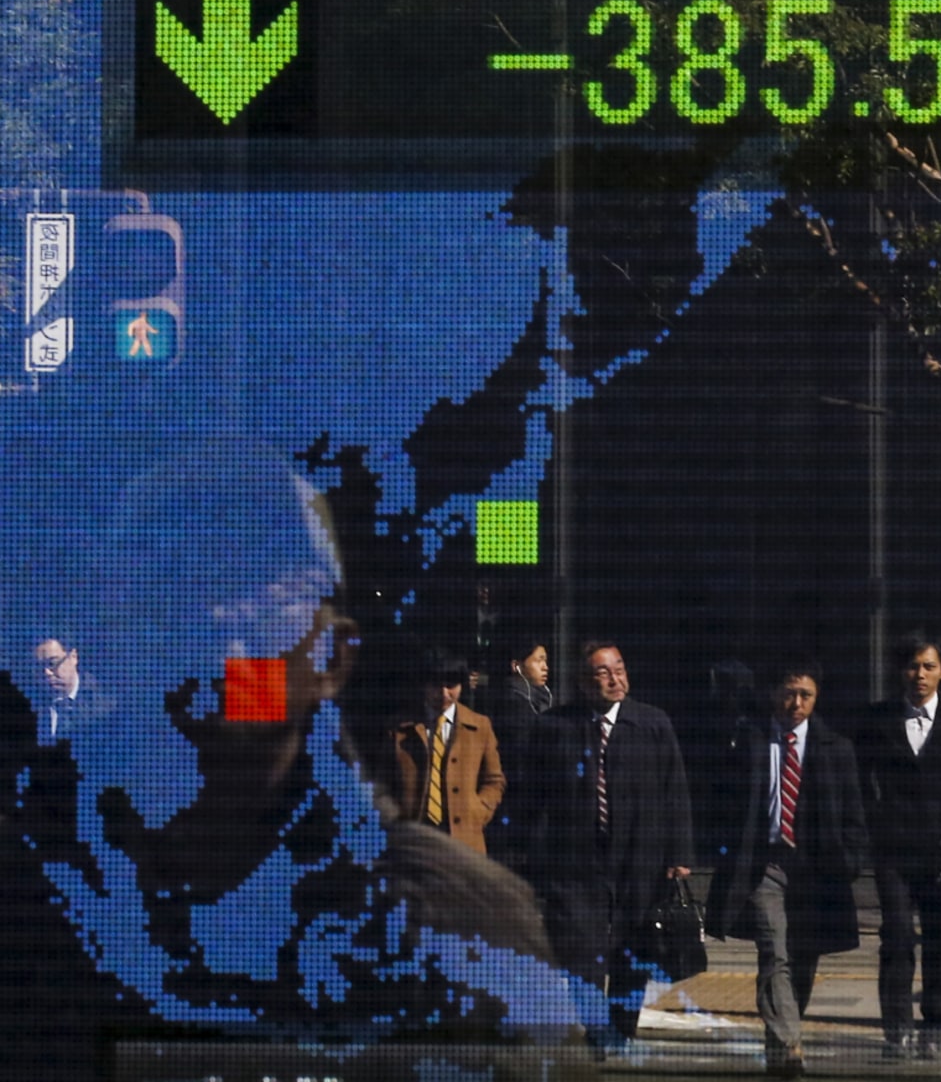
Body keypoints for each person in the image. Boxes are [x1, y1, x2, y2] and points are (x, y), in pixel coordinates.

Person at [0, 438, 577, 1080]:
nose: (218, 629)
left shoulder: (461, 926)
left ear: (331, 656)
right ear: (111, 636)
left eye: (258, 589)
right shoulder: (31, 892)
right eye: (168, 590)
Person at [526, 640, 694, 1052]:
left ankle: (620, 1033)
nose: (615, 678)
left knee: (630, 953)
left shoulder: (652, 724)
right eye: (603, 672)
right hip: (575, 862)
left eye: (619, 668)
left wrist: (680, 854)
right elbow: (533, 797)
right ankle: (600, 1031)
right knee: (578, 955)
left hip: (638, 858)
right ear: (584, 681)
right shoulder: (554, 726)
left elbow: (676, 791)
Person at [707, 663, 868, 1077]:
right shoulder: (751, 741)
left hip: (816, 870)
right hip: (767, 864)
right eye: (789, 693)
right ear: (774, 693)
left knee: (803, 960)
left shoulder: (836, 748)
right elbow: (723, 799)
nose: (796, 703)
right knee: (773, 951)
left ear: (816, 699)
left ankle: (779, 1045)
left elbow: (854, 813)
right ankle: (790, 1045)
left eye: (806, 695)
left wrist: (850, 861)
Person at [855, 634, 941, 1060]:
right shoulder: (877, 719)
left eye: (929, 666)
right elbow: (860, 780)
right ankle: (896, 1028)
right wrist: (869, 827)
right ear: (902, 670)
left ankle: (934, 1024)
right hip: (894, 849)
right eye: (913, 666)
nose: (920, 675)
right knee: (896, 936)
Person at [387, 649, 507, 856]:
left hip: (464, 841)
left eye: (451, 686)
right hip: (414, 840)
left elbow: (494, 780)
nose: (444, 694)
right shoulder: (400, 728)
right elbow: (383, 779)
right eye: (436, 685)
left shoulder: (480, 726)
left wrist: (478, 811)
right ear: (424, 685)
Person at [490, 637, 553, 872]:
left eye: (545, 661)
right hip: (519, 800)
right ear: (517, 665)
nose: (545, 667)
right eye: (538, 660)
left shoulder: (538, 700)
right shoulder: (514, 704)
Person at [31, 636, 99, 744]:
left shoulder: (106, 705)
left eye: (52, 664)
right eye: (38, 667)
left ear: (73, 657)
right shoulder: (29, 707)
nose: (47, 673)